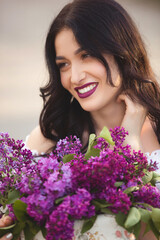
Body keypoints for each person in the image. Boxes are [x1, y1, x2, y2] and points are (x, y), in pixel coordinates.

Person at [0, 0, 160, 239]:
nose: (75, 77)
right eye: (63, 65)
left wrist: (131, 141)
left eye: (86, 55)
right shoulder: (53, 135)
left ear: (121, 50)